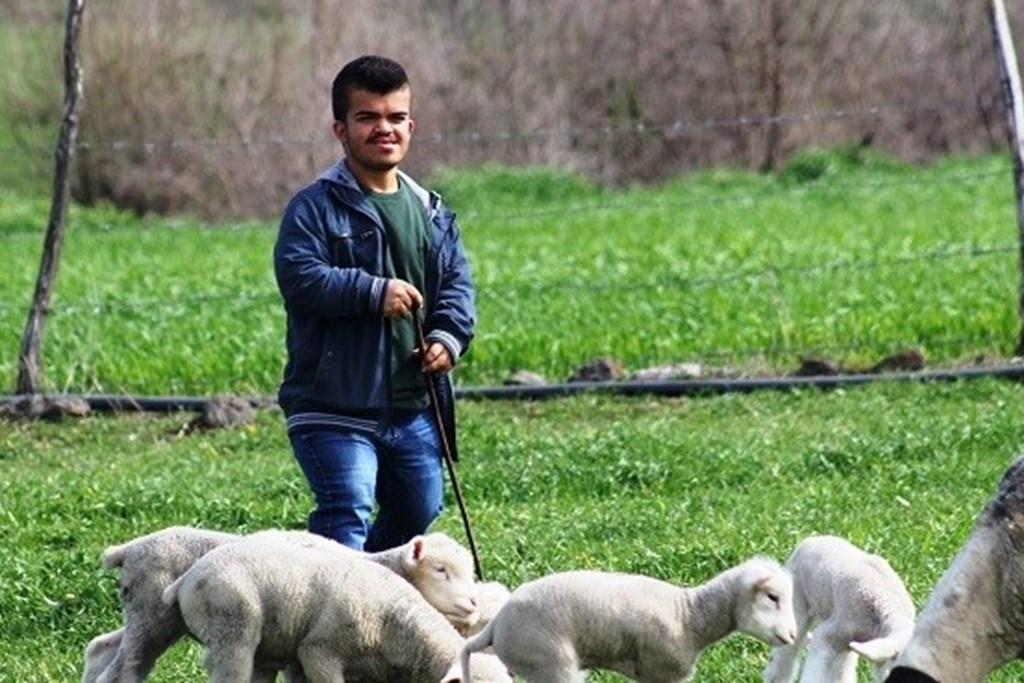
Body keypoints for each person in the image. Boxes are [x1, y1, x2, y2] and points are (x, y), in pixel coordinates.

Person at [273, 55, 476, 552]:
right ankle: (330, 620)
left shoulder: (430, 210)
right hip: (333, 406)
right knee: (347, 511)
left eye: (395, 118)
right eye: (368, 118)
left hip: (412, 407)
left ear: (411, 126)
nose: (384, 129)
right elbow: (301, 278)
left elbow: (456, 286)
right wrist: (372, 291)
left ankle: (362, 588)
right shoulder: (314, 207)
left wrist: (447, 340)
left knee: (419, 510)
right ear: (341, 129)